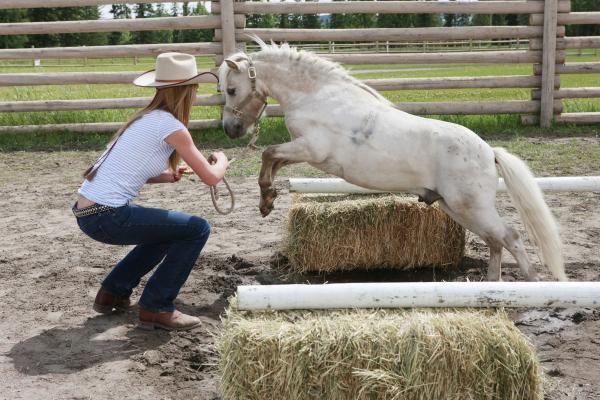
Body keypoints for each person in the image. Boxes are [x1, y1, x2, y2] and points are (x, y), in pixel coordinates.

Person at [72, 52, 229, 331]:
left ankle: (113, 293)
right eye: (194, 89)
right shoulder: (173, 127)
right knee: (198, 229)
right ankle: (157, 306)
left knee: (169, 231)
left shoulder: (144, 119)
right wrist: (222, 162)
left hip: (89, 212)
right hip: (108, 216)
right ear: (187, 91)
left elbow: (126, 169)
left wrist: (167, 177)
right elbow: (211, 177)